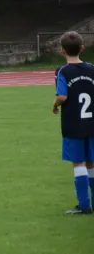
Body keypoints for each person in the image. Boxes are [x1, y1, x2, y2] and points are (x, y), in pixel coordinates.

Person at [53, 31, 94, 214]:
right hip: (92, 123)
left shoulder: (63, 71)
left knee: (78, 163)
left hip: (73, 124)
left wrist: (54, 105)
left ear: (62, 50)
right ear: (82, 48)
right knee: (92, 163)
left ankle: (84, 205)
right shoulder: (92, 68)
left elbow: (62, 96)